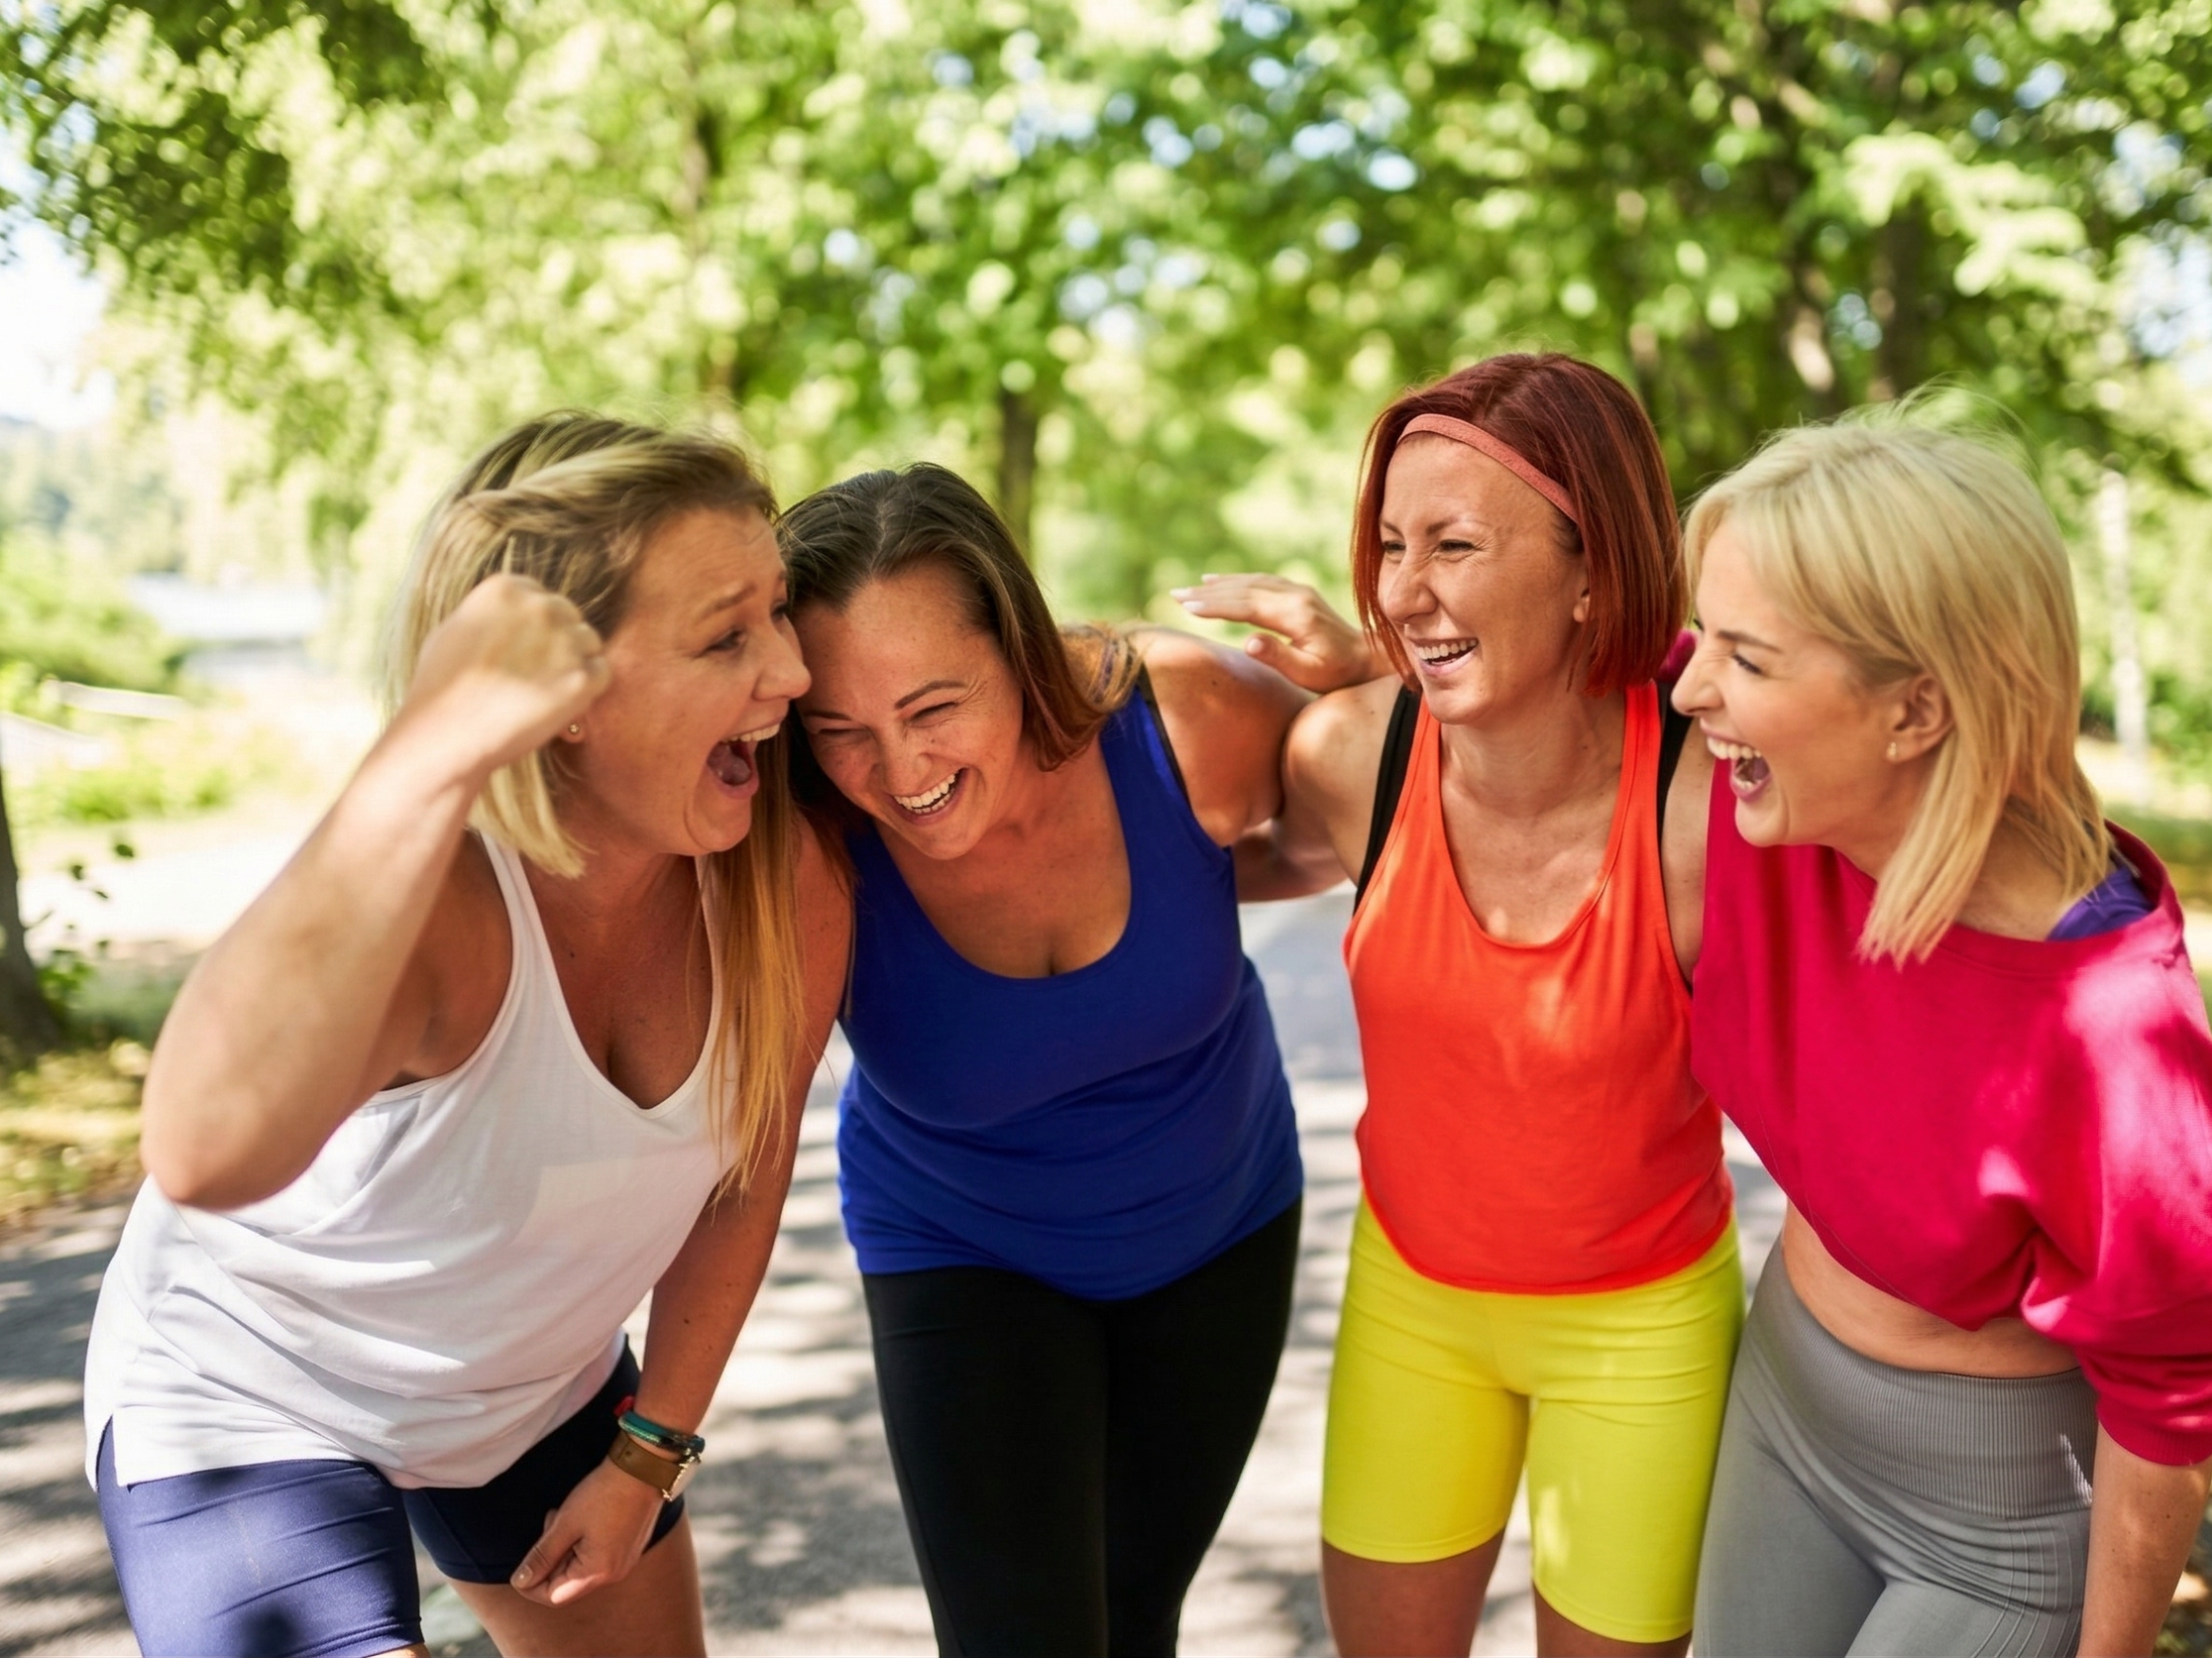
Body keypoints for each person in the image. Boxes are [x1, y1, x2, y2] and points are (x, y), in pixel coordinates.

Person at [84, 413, 850, 1658]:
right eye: (727, 634)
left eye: (779, 611)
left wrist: (646, 1455)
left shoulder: (782, 881)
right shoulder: (437, 901)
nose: (791, 673)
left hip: (532, 1392)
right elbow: (199, 1150)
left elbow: (745, 1176)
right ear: (559, 700)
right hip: (251, 1389)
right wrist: (426, 747)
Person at [1671, 414, 2212, 1656]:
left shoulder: (2117, 1038)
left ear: (1916, 711)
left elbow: (2170, 1407)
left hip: (1999, 1531)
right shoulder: (1793, 804)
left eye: (1740, 658)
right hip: (1782, 1408)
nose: (1692, 690)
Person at [1182, 353, 1740, 1657]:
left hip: (1642, 1329)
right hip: (1415, 1308)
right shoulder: (1350, 750)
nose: (1402, 589)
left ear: (1592, 568)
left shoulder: (1707, 810)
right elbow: (1155, 842)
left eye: (1454, 543)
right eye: (1388, 543)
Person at [777, 463, 1357, 1657]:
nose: (898, 771)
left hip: (1220, 1229)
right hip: (963, 1248)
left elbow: (1357, 803)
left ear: (1022, 648)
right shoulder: (805, 843)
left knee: (1134, 1617)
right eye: (843, 730)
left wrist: (1365, 670)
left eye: (935, 706)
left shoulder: (1177, 717)